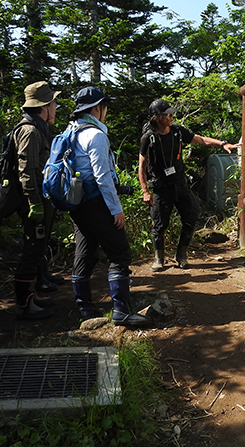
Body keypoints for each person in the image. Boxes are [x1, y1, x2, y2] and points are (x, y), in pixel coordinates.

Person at [67, 86, 151, 327]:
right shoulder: (95, 135)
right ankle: (122, 311)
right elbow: (102, 176)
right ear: (97, 108)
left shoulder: (71, 131)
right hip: (97, 203)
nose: (106, 111)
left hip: (77, 204)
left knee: (84, 251)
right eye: (105, 106)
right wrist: (116, 209)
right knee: (119, 252)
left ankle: (84, 306)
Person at [138, 98, 240, 271]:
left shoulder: (178, 131)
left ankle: (181, 255)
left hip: (180, 184)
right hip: (160, 187)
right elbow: (141, 166)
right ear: (157, 117)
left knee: (191, 216)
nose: (172, 116)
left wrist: (222, 143)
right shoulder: (149, 138)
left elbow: (200, 140)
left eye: (172, 113)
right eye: (168, 114)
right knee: (160, 224)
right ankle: (159, 258)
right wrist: (145, 191)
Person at [13, 81, 60, 320]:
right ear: (44, 106)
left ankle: (32, 294)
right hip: (34, 200)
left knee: (38, 245)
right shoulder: (30, 131)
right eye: (54, 103)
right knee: (32, 248)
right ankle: (23, 303)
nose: (56, 107)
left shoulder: (37, 127)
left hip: (41, 198)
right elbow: (27, 169)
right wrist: (34, 202)